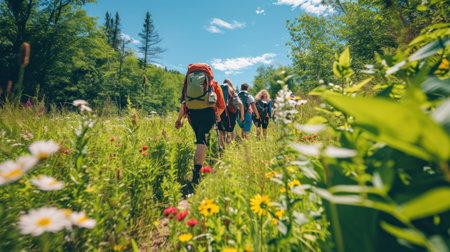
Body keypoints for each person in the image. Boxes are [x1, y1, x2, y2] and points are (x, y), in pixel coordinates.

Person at [174, 63, 225, 190]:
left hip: (192, 114)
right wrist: (217, 115)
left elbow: (183, 103)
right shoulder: (214, 84)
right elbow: (222, 105)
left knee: (200, 139)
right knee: (202, 141)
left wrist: (179, 119)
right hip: (208, 113)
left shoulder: (187, 85)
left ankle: (198, 169)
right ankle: (197, 174)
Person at [218, 79, 244, 148]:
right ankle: (230, 148)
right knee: (229, 132)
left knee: (221, 132)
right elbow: (240, 104)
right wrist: (242, 117)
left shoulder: (220, 91)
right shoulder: (232, 92)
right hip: (230, 114)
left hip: (220, 112)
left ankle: (223, 149)